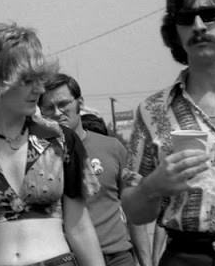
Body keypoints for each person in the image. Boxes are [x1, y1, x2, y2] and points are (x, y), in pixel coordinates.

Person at [0, 23, 104, 266]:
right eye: (27, 80)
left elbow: (80, 227)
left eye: (40, 78)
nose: (40, 88)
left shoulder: (60, 139)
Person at [122, 0, 215, 266]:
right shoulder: (153, 111)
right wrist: (153, 186)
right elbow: (134, 210)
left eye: (210, 14)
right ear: (175, 31)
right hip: (186, 255)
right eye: (185, 18)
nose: (198, 25)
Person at [39, 73, 152, 266]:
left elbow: (132, 211)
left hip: (118, 257)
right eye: (49, 108)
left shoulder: (112, 148)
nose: (57, 112)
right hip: (66, 260)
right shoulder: (37, 156)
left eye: (63, 104)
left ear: (79, 103)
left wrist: (146, 261)